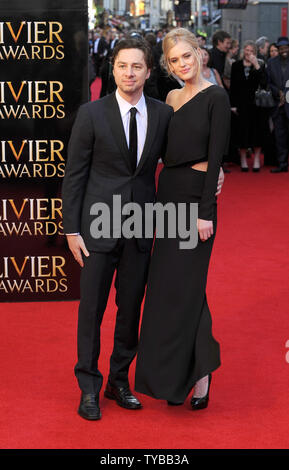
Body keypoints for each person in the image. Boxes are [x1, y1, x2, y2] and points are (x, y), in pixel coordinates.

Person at [61, 36, 226, 420]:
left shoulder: (163, 112)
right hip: (98, 229)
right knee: (92, 311)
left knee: (129, 310)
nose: (129, 73)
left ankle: (120, 380)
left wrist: (212, 178)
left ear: (149, 71)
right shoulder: (92, 114)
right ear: (112, 69)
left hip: (142, 228)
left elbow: (188, 151)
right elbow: (74, 176)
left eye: (137, 66)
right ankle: (90, 386)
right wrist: (72, 229)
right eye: (123, 66)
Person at [135, 28, 230, 410]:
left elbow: (217, 157)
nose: (181, 65)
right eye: (174, 60)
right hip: (169, 195)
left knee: (187, 289)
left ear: (199, 52)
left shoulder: (216, 97)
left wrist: (207, 211)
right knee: (166, 289)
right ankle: (182, 371)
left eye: (186, 56)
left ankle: (201, 374)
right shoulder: (171, 97)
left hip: (195, 203)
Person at [230, 40, 267, 172]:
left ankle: (256, 159)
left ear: (255, 53)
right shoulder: (236, 65)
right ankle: (243, 160)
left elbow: (263, 83)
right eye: (247, 50)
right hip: (241, 104)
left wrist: (256, 65)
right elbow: (233, 87)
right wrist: (232, 105)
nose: (248, 53)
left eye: (251, 51)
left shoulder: (259, 65)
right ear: (243, 51)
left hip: (256, 104)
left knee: (256, 133)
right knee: (242, 133)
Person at [267, 36, 289, 173]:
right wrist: (278, 93)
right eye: (281, 48)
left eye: (286, 48)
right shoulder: (271, 62)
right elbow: (268, 82)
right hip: (277, 105)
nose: (283, 50)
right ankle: (282, 164)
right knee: (280, 136)